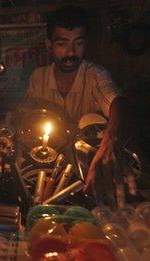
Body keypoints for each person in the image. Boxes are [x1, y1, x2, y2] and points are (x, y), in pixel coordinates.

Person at [22, 5, 134, 208]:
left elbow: (119, 102)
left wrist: (111, 141)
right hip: (47, 173)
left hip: (89, 170)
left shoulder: (95, 75)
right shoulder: (37, 78)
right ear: (49, 46)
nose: (71, 52)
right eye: (62, 44)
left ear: (86, 44)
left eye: (78, 43)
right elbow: (28, 117)